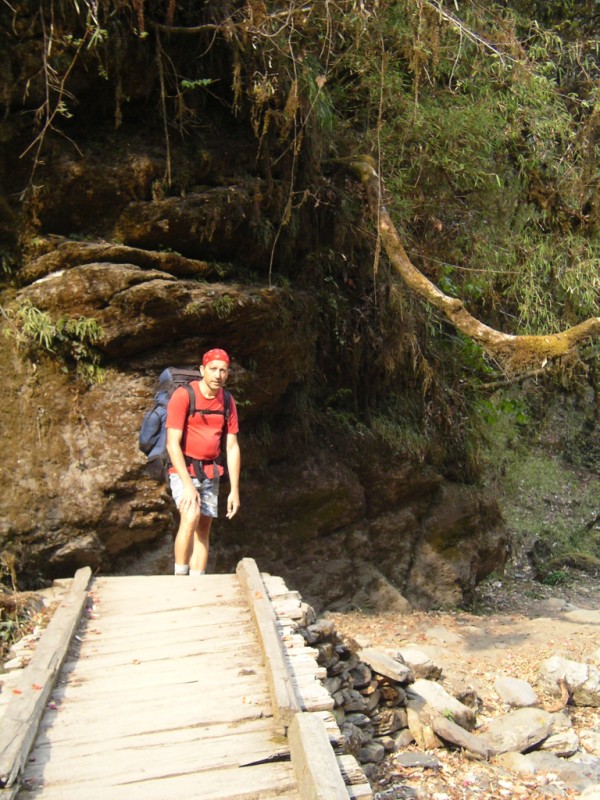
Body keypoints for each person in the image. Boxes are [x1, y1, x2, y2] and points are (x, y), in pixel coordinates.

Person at [166, 348, 240, 575]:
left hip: (210, 472)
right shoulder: (184, 396)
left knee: (203, 528)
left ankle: (198, 583)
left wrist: (234, 490)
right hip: (183, 470)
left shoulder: (227, 401)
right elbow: (172, 444)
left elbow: (232, 446)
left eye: (223, 370)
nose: (218, 375)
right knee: (190, 517)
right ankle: (180, 579)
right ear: (202, 370)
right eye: (213, 369)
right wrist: (187, 484)